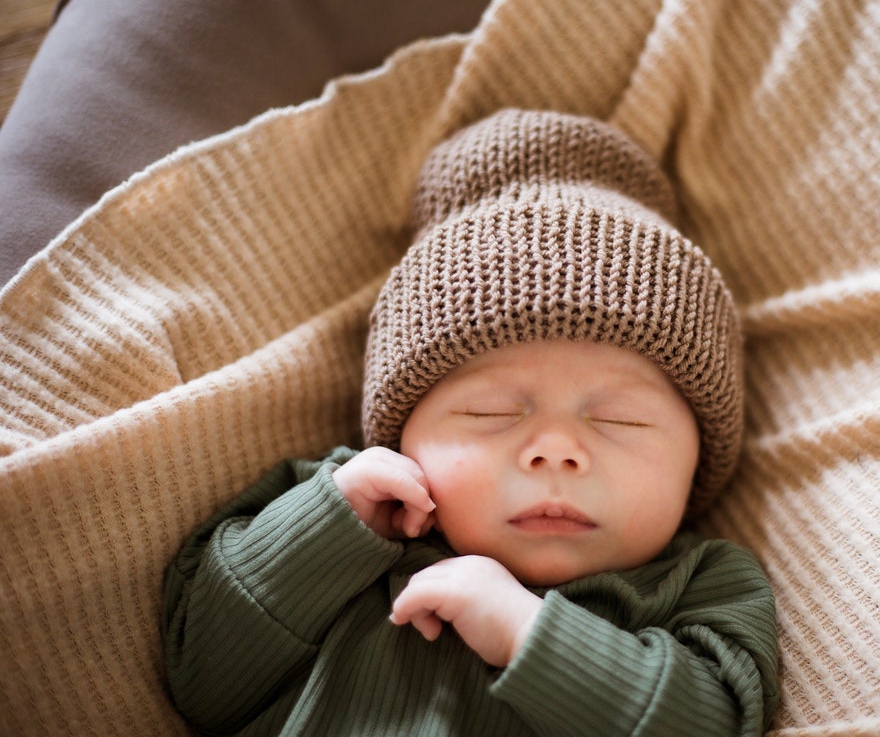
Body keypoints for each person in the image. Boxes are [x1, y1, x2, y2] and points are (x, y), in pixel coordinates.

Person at [163, 109, 780, 736]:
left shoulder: (702, 585)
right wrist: (326, 529)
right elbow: (203, 680)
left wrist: (531, 635)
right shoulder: (339, 519)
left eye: (623, 420)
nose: (556, 449)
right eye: (491, 412)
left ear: (698, 457)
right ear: (403, 434)